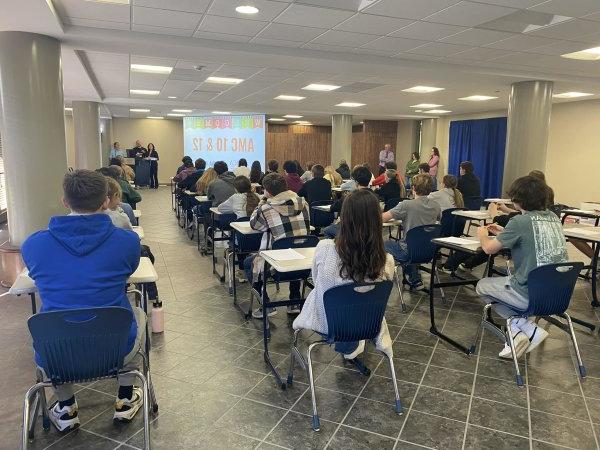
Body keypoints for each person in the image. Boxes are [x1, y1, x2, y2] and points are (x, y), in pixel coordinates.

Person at [21, 170, 144, 431]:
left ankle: (66, 408)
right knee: (135, 314)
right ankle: (124, 398)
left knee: (55, 332)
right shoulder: (127, 242)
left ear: (65, 202)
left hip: (57, 352)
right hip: (114, 347)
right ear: (105, 202)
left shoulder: (34, 245)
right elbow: (129, 270)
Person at [293, 189, 395, 362]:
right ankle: (350, 344)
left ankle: (348, 344)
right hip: (366, 323)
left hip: (325, 320)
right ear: (377, 219)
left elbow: (317, 281)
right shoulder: (387, 261)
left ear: (344, 217)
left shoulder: (324, 248)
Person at [476, 175, 568, 359]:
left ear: (518, 200)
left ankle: (523, 328)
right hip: (559, 295)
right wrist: (506, 234)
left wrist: (481, 233)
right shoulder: (553, 217)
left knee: (482, 286)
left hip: (531, 295)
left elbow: (488, 249)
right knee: (506, 284)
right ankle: (521, 330)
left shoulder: (519, 221)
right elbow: (532, 239)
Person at [244, 173, 310, 318]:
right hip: (303, 263)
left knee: (249, 263)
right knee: (293, 247)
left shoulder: (266, 208)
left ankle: (266, 304)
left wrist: (262, 202)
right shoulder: (303, 203)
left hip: (277, 265)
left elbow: (255, 225)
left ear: (268, 191)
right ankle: (294, 301)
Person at [382, 174, 441, 290]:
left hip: (409, 251)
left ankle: (413, 278)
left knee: (383, 244)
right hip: (430, 250)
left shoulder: (406, 205)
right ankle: (414, 278)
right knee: (411, 244)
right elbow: (438, 221)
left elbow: (383, 218)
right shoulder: (436, 206)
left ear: (413, 188)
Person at [324, 166, 372, 239]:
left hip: (351, 232)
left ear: (356, 181)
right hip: (369, 232)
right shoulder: (375, 197)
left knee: (327, 230)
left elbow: (333, 207)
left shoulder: (350, 197)